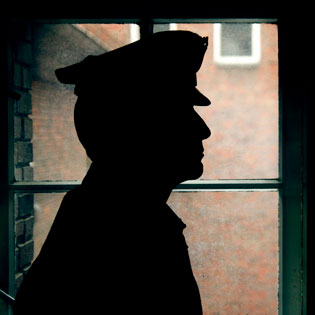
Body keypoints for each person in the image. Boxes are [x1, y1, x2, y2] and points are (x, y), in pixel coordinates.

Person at [14, 30, 211, 314]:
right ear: (133, 130)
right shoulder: (133, 231)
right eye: (178, 114)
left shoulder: (107, 215)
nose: (203, 130)